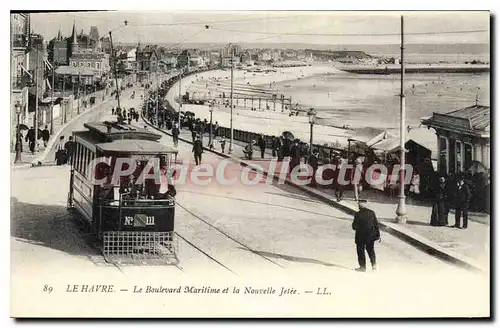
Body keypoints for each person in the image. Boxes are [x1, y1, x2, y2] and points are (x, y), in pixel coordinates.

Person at [352, 200, 381, 272]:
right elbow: (376, 224)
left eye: (358, 205)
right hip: (370, 236)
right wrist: (378, 235)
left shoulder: (357, 214)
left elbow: (354, 226)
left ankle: (362, 267)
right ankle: (374, 266)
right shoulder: (372, 213)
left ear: (360, 206)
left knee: (360, 251)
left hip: (360, 236)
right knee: (371, 250)